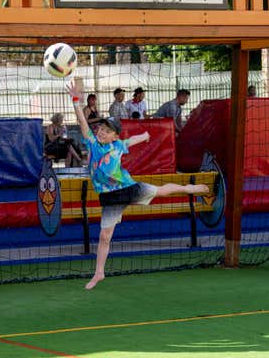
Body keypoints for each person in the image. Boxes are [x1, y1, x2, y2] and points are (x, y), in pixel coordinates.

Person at [66, 78, 209, 290]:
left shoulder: (118, 146)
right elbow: (83, 124)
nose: (101, 132)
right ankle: (99, 273)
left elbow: (129, 141)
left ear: (114, 136)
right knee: (105, 236)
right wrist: (76, 101)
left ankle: (188, 188)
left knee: (161, 192)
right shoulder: (93, 144)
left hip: (128, 189)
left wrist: (144, 136)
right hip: (110, 198)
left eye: (106, 131)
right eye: (101, 129)